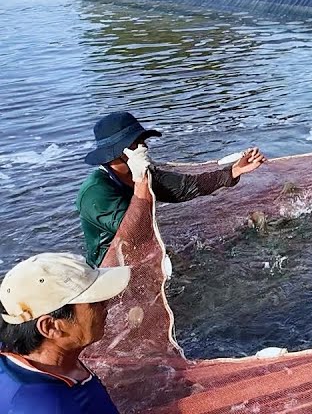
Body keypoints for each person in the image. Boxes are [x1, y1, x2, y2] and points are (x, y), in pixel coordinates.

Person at [76, 112, 267, 267]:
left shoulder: (143, 172)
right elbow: (135, 232)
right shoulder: (95, 192)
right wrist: (141, 180)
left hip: (143, 256)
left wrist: (234, 171)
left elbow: (186, 187)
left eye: (143, 141)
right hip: (109, 270)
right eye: (136, 143)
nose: (144, 147)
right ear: (118, 152)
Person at [0, 253, 131, 413]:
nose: (107, 305)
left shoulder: (13, 353)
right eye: (95, 302)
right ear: (50, 327)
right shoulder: (53, 406)